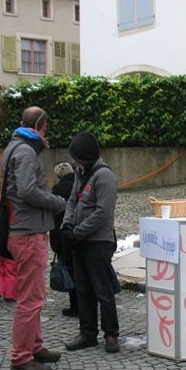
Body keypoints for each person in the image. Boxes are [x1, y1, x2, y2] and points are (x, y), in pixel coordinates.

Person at [3, 106, 67, 370]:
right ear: (42, 127)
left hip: (21, 228)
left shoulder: (12, 148)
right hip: (29, 232)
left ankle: (34, 346)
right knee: (31, 299)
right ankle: (21, 357)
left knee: (33, 296)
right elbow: (28, 191)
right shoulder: (27, 151)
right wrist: (57, 202)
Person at [63, 132, 120, 354]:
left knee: (103, 290)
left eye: (77, 157)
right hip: (79, 241)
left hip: (98, 241)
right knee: (83, 289)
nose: (75, 161)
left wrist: (78, 232)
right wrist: (67, 226)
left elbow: (103, 213)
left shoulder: (104, 176)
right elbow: (72, 201)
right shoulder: (80, 172)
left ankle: (111, 334)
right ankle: (87, 334)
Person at [50, 162, 78, 317]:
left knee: (69, 270)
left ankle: (75, 305)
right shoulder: (78, 185)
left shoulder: (57, 189)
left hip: (63, 234)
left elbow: (55, 213)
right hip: (78, 232)